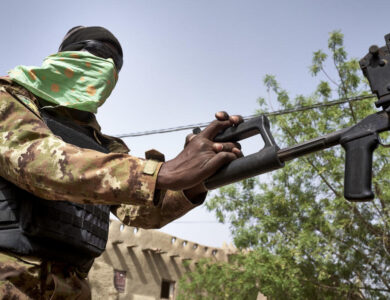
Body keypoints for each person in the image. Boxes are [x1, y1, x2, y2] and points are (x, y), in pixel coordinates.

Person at [0, 26, 242, 299]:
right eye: (98, 52)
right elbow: (38, 162)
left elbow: (140, 212)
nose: (106, 67)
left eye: (115, 64)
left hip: (72, 287)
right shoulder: (8, 99)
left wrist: (198, 180)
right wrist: (163, 172)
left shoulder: (103, 146)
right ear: (64, 56)